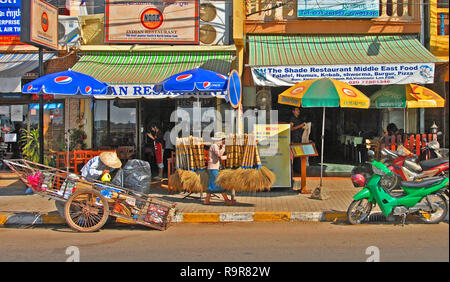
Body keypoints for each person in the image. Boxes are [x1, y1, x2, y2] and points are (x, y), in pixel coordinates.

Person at [203, 132, 235, 206]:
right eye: (223, 140)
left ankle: (206, 200)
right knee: (219, 184)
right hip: (213, 168)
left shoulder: (216, 146)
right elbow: (219, 154)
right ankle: (226, 200)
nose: (224, 141)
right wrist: (223, 147)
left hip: (213, 168)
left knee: (211, 185)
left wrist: (229, 156)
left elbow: (220, 158)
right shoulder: (214, 146)